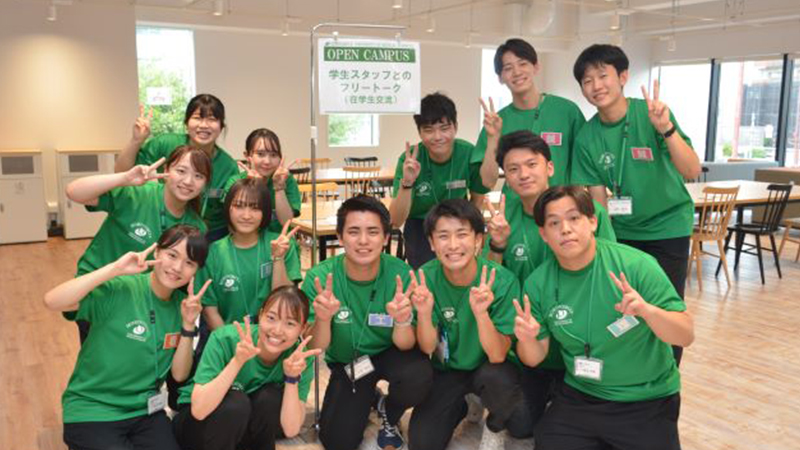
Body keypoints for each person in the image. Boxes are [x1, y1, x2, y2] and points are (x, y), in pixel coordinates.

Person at [514, 185, 694, 450]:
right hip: (581, 395)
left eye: (574, 218)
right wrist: (527, 339)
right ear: (543, 234)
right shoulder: (538, 283)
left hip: (645, 398)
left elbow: (685, 335)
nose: (565, 229)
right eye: (554, 223)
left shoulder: (635, 265)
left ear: (593, 222)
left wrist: (648, 311)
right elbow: (533, 357)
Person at [480, 127, 617, 435]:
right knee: (521, 427)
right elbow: (490, 282)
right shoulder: (503, 217)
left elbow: (607, 273)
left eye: (532, 164)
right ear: (506, 176)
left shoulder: (585, 212)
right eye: (513, 169)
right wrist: (498, 244)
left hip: (581, 341)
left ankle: (562, 398)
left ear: (550, 167)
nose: (524, 174)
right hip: (531, 344)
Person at [570, 44, 701, 363]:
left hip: (668, 228)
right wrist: (604, 244)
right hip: (623, 234)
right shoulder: (587, 137)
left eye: (603, 75)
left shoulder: (651, 114)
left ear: (623, 76)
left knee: (666, 309)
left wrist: (666, 129)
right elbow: (598, 201)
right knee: (624, 309)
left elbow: (691, 170)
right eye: (587, 80)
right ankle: (632, 374)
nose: (596, 85)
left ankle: (666, 376)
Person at [44, 224, 211, 450]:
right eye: (172, 255)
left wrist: (188, 325)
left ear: (196, 271)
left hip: (144, 412)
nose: (177, 267)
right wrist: (114, 269)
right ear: (157, 252)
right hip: (93, 410)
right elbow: (52, 301)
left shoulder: (181, 309)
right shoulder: (121, 288)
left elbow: (179, 374)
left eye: (189, 263)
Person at [302, 195, 433, 450]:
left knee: (418, 375)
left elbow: (406, 345)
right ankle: (369, 397)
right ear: (340, 237)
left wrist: (402, 321)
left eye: (373, 232)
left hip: (391, 352)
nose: (363, 241)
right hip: (349, 362)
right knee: (337, 442)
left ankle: (389, 412)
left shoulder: (401, 275)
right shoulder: (320, 278)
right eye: (353, 232)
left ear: (385, 238)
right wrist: (323, 319)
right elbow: (315, 347)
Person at [408, 199, 524, 450]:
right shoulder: (424, 279)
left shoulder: (501, 281)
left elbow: (497, 355)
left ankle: (494, 425)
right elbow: (428, 347)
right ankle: (465, 404)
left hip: (490, 368)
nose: (453, 245)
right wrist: (424, 313)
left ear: (478, 240)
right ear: (431, 243)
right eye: (443, 236)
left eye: (462, 234)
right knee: (423, 443)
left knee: (520, 419)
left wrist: (481, 314)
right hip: (448, 369)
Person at [66, 145, 210, 342]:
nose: (188, 181)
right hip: (99, 291)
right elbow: (73, 192)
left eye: (198, 176)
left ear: (205, 183)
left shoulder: (196, 226)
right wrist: (124, 178)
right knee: (99, 354)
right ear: (166, 170)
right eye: (181, 171)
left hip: (140, 304)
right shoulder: (138, 194)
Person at [172, 286, 320, 450]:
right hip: (197, 424)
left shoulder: (298, 359)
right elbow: (199, 410)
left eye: (290, 323)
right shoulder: (225, 338)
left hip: (241, 429)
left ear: (302, 328)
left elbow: (291, 429)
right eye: (271, 318)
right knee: (236, 404)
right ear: (261, 314)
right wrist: (237, 361)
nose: (277, 330)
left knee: (270, 398)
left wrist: (291, 378)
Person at [115, 94, 240, 240]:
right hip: (159, 223)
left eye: (212, 119)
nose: (204, 125)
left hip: (207, 234)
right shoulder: (165, 144)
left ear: (221, 126)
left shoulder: (228, 166)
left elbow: (234, 208)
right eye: (197, 117)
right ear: (186, 122)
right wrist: (136, 140)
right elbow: (122, 173)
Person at [390, 92, 490, 269]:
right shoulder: (409, 160)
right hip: (420, 225)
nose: (437, 137)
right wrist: (407, 183)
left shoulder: (468, 153)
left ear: (455, 127)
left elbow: (477, 198)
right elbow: (396, 221)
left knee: (461, 271)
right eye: (429, 130)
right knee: (427, 276)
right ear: (420, 132)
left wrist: (472, 231)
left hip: (459, 220)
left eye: (444, 128)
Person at [476, 38, 586, 194]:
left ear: (536, 67)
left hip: (559, 204)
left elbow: (583, 167)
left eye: (523, 64)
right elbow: (488, 182)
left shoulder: (567, 111)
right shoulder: (496, 122)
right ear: (500, 77)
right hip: (515, 207)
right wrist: (493, 138)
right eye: (508, 68)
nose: (517, 72)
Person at [198, 177, 302, 329]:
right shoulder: (213, 253)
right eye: (239, 206)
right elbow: (210, 311)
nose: (246, 215)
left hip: (274, 336)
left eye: (255, 208)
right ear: (228, 208)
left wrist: (278, 258)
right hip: (229, 338)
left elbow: (285, 301)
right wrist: (230, 340)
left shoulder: (282, 245)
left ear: (265, 211)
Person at [223, 128, 301, 234]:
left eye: (273, 155)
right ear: (247, 156)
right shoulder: (235, 182)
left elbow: (286, 222)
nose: (267, 161)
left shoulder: (286, 180)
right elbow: (232, 227)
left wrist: (279, 188)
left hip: (279, 239)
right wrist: (254, 187)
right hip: (246, 241)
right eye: (260, 154)